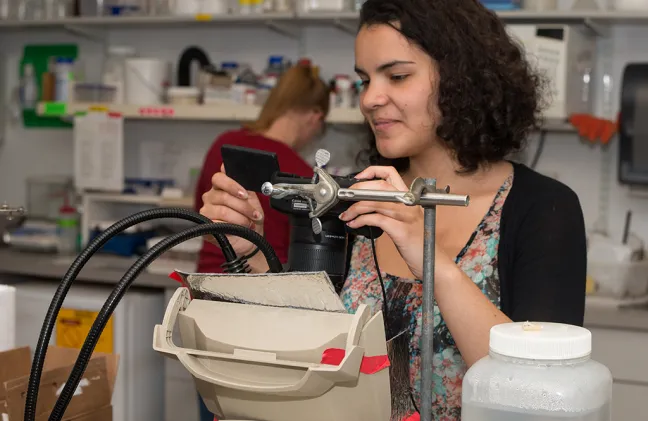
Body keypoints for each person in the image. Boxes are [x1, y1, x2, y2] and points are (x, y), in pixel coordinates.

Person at [199, 0, 587, 419]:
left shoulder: (542, 208)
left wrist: (430, 256)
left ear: (461, 79)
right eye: (366, 79)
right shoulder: (352, 194)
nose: (370, 98)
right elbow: (309, 347)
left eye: (397, 76)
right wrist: (251, 255)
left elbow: (537, 390)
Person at [192, 62, 330, 421]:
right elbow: (295, 264)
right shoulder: (300, 174)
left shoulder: (223, 145)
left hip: (203, 305)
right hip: (259, 316)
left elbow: (202, 218)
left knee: (214, 405)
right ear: (315, 116)